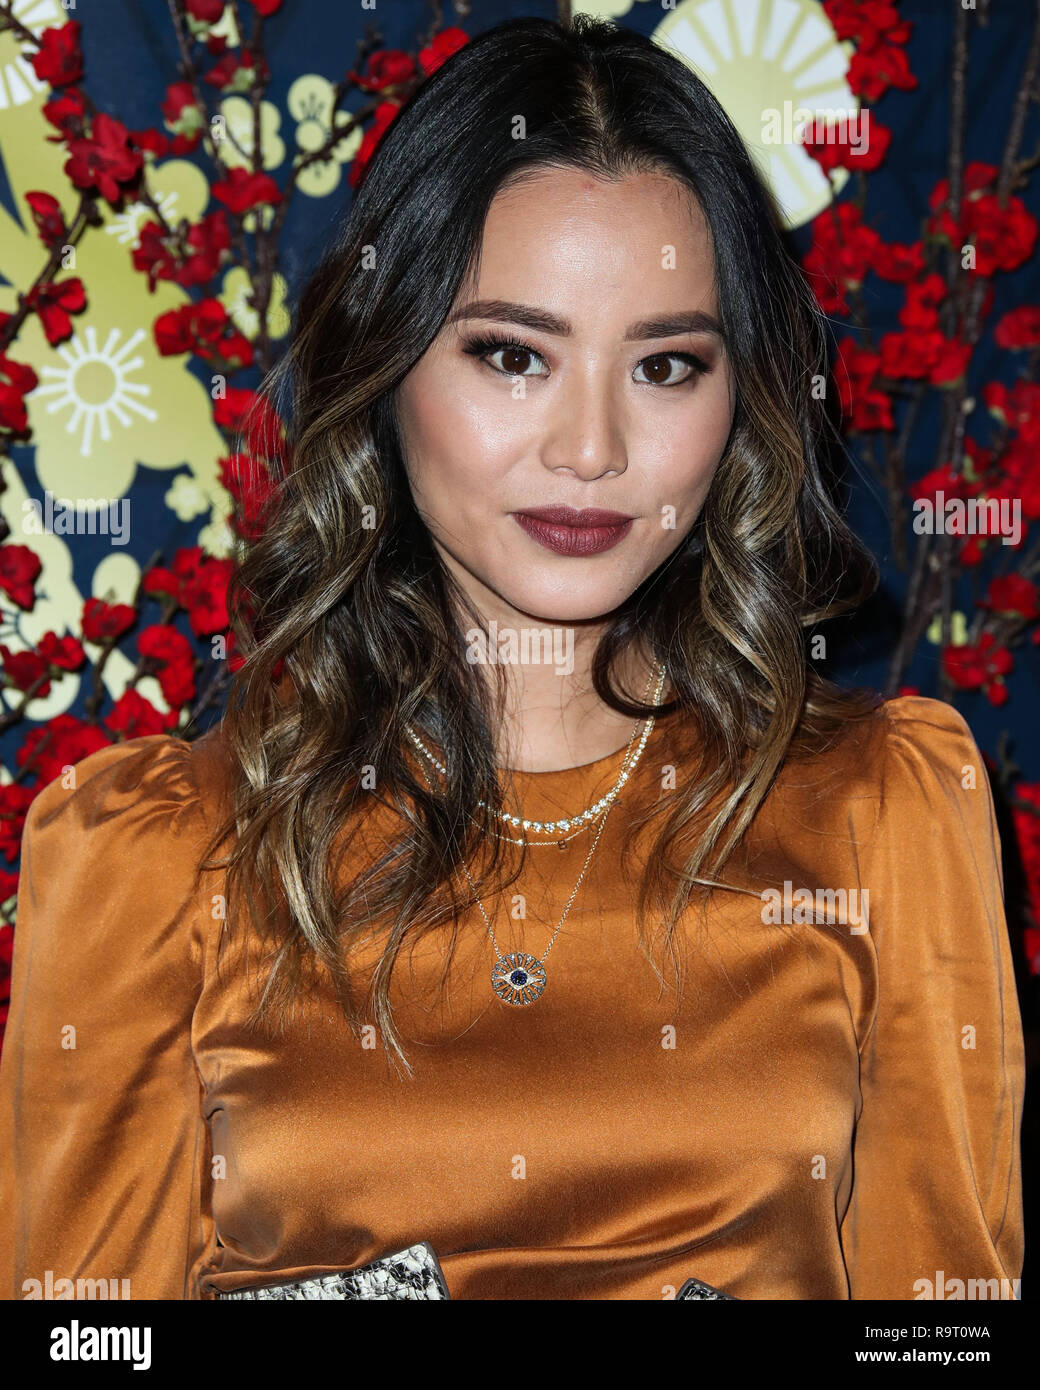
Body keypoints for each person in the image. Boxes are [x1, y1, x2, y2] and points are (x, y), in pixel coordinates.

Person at [0, 14, 1024, 1301]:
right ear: (384, 368)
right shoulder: (153, 856)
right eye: (510, 354)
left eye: (663, 364)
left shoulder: (883, 810)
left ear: (737, 396)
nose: (589, 447)